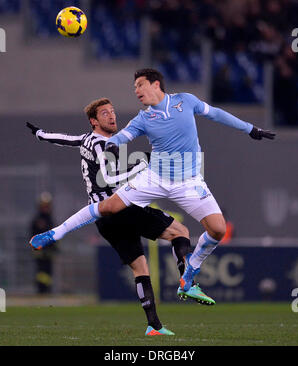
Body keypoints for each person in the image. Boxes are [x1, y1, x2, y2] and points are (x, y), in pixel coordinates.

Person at [29, 68, 275, 304]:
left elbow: (216, 113)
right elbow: (124, 135)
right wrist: (113, 144)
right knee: (108, 207)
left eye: (139, 85)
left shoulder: (185, 101)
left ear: (155, 84)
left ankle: (190, 273)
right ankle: (54, 233)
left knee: (218, 230)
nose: (136, 90)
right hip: (154, 178)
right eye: (134, 87)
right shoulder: (144, 117)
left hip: (189, 182)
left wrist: (250, 129)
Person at [27, 97, 201, 336]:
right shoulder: (101, 144)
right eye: (105, 113)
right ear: (94, 121)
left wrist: (40, 134)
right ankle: (186, 280)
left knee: (140, 268)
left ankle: (154, 326)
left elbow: (64, 139)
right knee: (180, 232)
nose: (112, 116)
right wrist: (141, 163)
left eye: (113, 111)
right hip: (119, 208)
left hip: (103, 220)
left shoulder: (87, 139)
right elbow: (108, 179)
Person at [30, 192, 57, 294]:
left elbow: (54, 234)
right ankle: (41, 290)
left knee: (48, 271)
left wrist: (54, 248)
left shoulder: (50, 219)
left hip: (49, 251)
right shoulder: (37, 220)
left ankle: (47, 289)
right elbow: (32, 235)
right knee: (41, 272)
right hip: (40, 251)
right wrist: (36, 249)